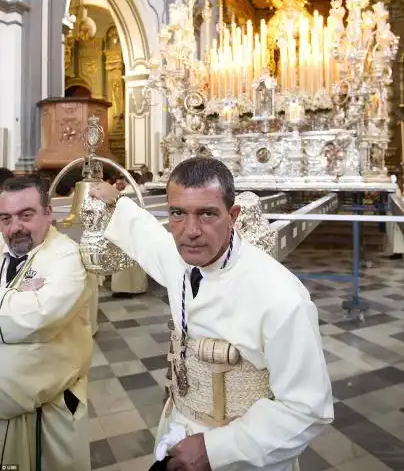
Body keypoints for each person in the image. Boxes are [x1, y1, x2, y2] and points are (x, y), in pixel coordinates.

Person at [90, 157, 333, 471]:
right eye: (178, 213)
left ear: (232, 215)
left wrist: (215, 450)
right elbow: (147, 236)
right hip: (178, 429)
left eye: (207, 214)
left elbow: (307, 408)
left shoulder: (280, 296)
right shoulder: (180, 259)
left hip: (242, 454)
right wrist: (116, 202)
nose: (191, 231)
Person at [0, 175, 93, 470]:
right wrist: (18, 299)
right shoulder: (4, 250)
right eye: (5, 219)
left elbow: (39, 318)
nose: (15, 228)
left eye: (26, 215)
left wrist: (16, 302)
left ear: (48, 212)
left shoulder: (67, 257)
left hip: (49, 410)